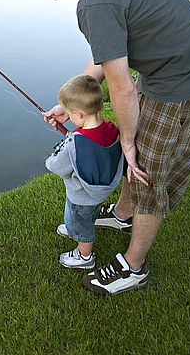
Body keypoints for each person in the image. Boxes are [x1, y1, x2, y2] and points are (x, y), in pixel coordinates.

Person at [36, 0, 190, 296]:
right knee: (139, 158)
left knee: (145, 171)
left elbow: (120, 84)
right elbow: (104, 60)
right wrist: (69, 105)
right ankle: (124, 215)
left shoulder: (94, 3)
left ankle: (134, 266)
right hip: (169, 71)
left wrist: (128, 142)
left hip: (182, 86)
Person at [45, 74, 124, 270]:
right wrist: (74, 137)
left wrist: (57, 152)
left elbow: (56, 166)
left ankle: (84, 255)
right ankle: (77, 228)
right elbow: (90, 144)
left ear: (78, 114)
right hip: (100, 190)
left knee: (79, 221)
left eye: (70, 114)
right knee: (86, 215)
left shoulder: (75, 142)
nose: (69, 118)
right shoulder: (111, 128)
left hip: (81, 196)